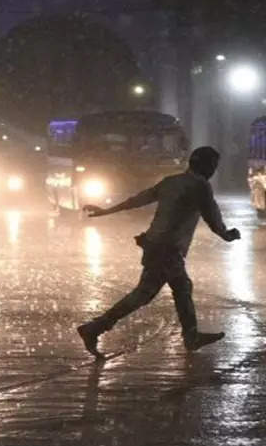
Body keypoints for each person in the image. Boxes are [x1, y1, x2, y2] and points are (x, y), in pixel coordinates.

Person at [76, 146, 241, 356]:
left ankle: (190, 336)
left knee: (174, 289)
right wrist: (226, 234)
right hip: (168, 248)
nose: (214, 170)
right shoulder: (200, 186)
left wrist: (107, 211)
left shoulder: (171, 182)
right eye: (213, 165)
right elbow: (211, 215)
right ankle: (95, 328)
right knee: (151, 293)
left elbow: (139, 199)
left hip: (154, 244)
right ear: (206, 165)